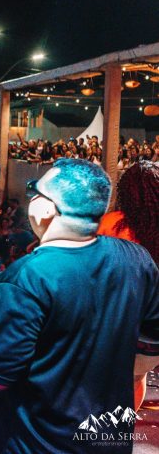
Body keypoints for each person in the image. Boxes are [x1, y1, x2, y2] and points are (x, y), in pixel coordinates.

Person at [0, 159, 159, 454]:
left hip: (36, 445)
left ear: (45, 209)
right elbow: (152, 333)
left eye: (35, 191)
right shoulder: (136, 259)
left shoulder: (27, 276)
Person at [97, 160, 159, 409]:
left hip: (114, 325)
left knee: (100, 384)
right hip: (151, 334)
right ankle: (123, 433)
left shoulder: (110, 224)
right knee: (136, 379)